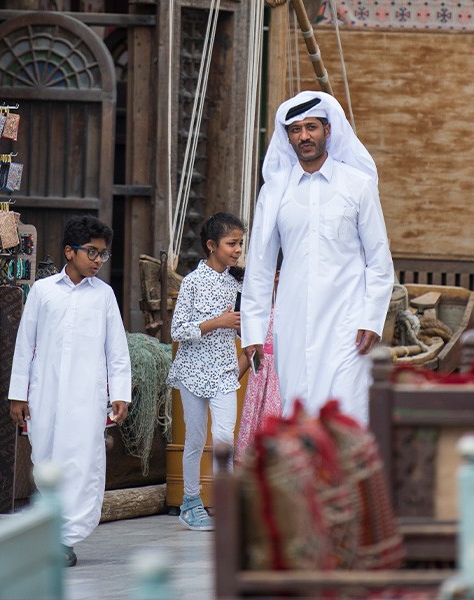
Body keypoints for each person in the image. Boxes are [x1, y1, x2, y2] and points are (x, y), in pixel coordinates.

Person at [240, 91, 394, 425]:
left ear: (328, 130)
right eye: (295, 130)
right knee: (298, 409)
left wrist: (371, 318)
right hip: (292, 324)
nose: (304, 136)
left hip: (348, 323)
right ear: (288, 138)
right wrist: (253, 330)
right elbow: (260, 266)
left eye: (311, 127)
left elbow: (379, 261)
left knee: (347, 410)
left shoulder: (358, 185)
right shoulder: (275, 189)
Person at [8, 215, 131, 567]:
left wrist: (119, 392)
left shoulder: (104, 296)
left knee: (82, 462)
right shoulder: (43, 292)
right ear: (69, 251)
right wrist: (19, 394)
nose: (97, 260)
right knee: (44, 459)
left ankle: (65, 538)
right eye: (91, 252)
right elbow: (24, 345)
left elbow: (116, 349)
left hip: (86, 397)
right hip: (44, 394)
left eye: (102, 254)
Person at [167, 212, 246, 531]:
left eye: (241, 243)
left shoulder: (235, 283)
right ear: (212, 245)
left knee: (225, 437)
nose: (238, 249)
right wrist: (218, 323)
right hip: (193, 371)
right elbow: (177, 329)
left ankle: (224, 503)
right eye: (232, 243)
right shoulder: (192, 282)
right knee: (196, 439)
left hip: (225, 372)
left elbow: (242, 328)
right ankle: (190, 501)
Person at [235, 268, 282, 462]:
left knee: (274, 425)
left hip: (281, 377)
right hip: (260, 378)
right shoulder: (259, 310)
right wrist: (228, 382)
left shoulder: (298, 309)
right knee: (253, 427)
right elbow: (250, 352)